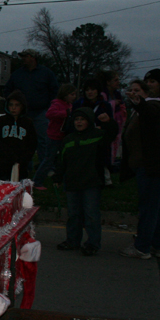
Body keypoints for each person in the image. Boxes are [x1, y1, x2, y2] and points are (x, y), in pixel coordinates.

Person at [118, 79, 160, 260]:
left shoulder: (153, 107)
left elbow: (149, 113)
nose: (133, 93)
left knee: (148, 206)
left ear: (147, 93)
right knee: (157, 205)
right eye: (131, 90)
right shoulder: (139, 111)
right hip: (151, 164)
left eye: (137, 90)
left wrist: (139, 103)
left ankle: (142, 247)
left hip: (156, 165)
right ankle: (159, 245)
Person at [53, 107, 118, 256]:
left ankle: (92, 243)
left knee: (91, 214)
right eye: (76, 119)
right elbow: (61, 161)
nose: (79, 122)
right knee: (73, 213)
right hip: (72, 182)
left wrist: (109, 122)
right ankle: (72, 240)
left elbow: (112, 133)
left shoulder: (97, 135)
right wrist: (58, 177)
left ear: (89, 121)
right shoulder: (68, 140)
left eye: (82, 119)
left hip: (91, 182)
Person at [4, 49, 59, 184]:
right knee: (22, 141)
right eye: (22, 56)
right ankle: (24, 167)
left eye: (26, 56)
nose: (23, 59)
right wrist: (13, 105)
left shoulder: (46, 73)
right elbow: (7, 90)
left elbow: (55, 90)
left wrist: (50, 107)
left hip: (41, 113)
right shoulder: (17, 74)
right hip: (23, 115)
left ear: (33, 57)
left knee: (42, 141)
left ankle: (46, 168)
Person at [35, 84, 76, 189]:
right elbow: (49, 114)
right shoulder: (57, 104)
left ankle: (60, 181)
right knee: (48, 160)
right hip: (53, 137)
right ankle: (37, 182)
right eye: (72, 94)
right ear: (65, 94)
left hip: (64, 136)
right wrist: (65, 113)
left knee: (63, 160)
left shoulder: (69, 105)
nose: (74, 96)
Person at [0, 91, 38, 181]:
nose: (13, 108)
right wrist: (6, 153)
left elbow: (32, 143)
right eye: (11, 105)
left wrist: (24, 158)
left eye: (17, 105)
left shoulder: (27, 123)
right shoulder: (2, 120)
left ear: (22, 106)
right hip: (4, 163)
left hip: (21, 164)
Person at [98, 69, 127, 166]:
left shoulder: (117, 94)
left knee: (116, 142)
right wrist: (114, 103)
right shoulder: (103, 94)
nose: (118, 82)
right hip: (107, 123)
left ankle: (112, 161)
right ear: (108, 82)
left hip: (117, 122)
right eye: (115, 80)